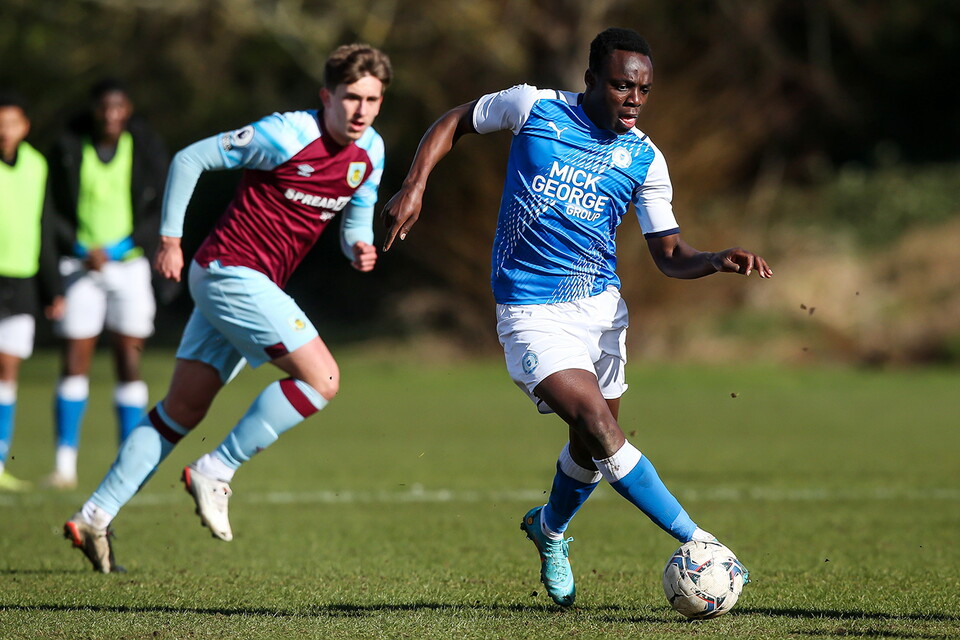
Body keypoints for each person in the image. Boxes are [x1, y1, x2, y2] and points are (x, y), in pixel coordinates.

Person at [381, 27, 771, 606]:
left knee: (591, 449)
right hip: (530, 309)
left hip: (601, 313)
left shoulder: (645, 158)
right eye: (620, 85)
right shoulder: (533, 107)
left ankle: (550, 529)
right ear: (590, 80)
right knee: (597, 425)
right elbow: (454, 122)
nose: (633, 99)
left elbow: (668, 253)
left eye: (643, 89)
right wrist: (414, 186)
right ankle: (701, 540)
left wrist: (712, 259)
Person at [63, 43, 392, 573]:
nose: (361, 111)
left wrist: (358, 246)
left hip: (242, 282)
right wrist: (170, 239)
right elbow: (190, 158)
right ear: (326, 95)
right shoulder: (285, 134)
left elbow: (356, 219)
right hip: (229, 271)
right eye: (351, 97)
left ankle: (94, 516)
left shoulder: (371, 153)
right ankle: (217, 468)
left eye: (372, 100)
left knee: (181, 410)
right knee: (323, 379)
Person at [44, 79, 169, 489]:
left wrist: (123, 247)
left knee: (128, 362)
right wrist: (79, 246)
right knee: (75, 359)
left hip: (129, 266)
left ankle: (128, 463)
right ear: (95, 110)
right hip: (79, 265)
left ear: (128, 109)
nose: (112, 116)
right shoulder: (68, 148)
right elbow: (52, 209)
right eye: (105, 108)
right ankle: (65, 465)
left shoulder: (146, 148)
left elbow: (159, 207)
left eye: (119, 108)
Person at [0, 91, 64, 491]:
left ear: (24, 127)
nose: (4, 131)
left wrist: (52, 287)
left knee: (8, 370)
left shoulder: (38, 166)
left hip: (21, 279)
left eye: (11, 123)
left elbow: (44, 226)